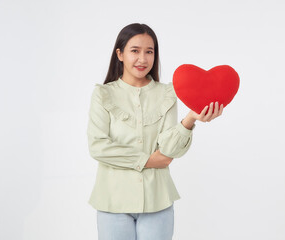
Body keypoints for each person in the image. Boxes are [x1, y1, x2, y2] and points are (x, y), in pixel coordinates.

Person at [87, 23, 224, 240]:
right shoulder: (103, 95)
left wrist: (189, 120)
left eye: (149, 52)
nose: (143, 59)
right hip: (112, 201)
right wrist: (148, 160)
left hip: (157, 200)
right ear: (120, 54)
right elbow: (98, 147)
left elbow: (168, 151)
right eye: (135, 51)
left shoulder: (168, 93)